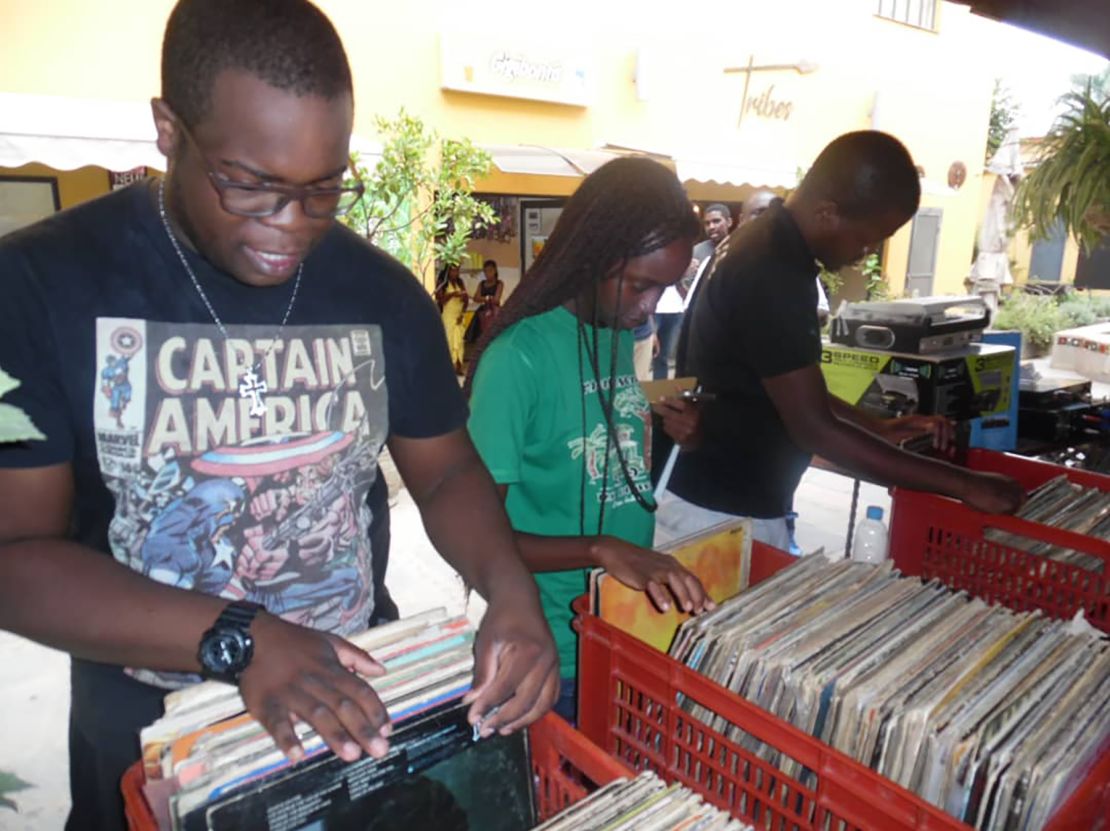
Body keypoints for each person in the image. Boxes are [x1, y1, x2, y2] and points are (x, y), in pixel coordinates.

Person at [0, 2, 558, 829]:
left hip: (357, 711)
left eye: (322, 188)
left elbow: (444, 472)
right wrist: (241, 636)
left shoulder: (381, 294)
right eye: (250, 184)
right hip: (153, 737)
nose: (291, 226)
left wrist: (510, 592)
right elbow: (14, 556)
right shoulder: (39, 285)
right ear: (167, 130)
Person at [654, 131, 1025, 550]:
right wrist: (965, 484)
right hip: (720, 512)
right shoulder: (774, 269)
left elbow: (789, 388)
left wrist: (877, 427)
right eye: (865, 239)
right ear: (828, 213)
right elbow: (814, 429)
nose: (864, 254)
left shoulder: (766, 242)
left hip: (730, 502)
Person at [465, 158, 712, 722]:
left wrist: (679, 439)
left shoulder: (614, 331)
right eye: (641, 285)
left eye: (665, 288)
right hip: (554, 648)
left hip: (628, 630)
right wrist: (599, 548)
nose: (650, 308)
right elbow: (480, 539)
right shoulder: (516, 359)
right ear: (592, 257)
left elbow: (603, 461)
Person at [651, 204, 732, 380]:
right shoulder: (697, 251)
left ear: (729, 221)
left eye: (716, 221)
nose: (711, 227)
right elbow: (682, 282)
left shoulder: (737, 249)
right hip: (687, 315)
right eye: (707, 223)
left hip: (722, 321)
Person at [435, 263, 469, 374]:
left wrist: (462, 313)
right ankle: (450, 368)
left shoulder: (460, 282)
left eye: (457, 270)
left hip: (458, 316)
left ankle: (459, 367)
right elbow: (440, 300)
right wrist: (453, 294)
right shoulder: (442, 283)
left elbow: (466, 300)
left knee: (459, 343)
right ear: (447, 271)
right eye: (453, 271)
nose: (456, 273)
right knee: (449, 342)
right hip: (448, 316)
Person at [468, 258, 504, 343]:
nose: (488, 274)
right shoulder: (482, 283)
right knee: (478, 338)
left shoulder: (499, 283)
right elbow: (475, 298)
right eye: (485, 272)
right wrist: (487, 298)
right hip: (482, 312)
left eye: (490, 271)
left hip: (494, 312)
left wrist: (483, 298)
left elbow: (496, 300)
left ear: (495, 271)